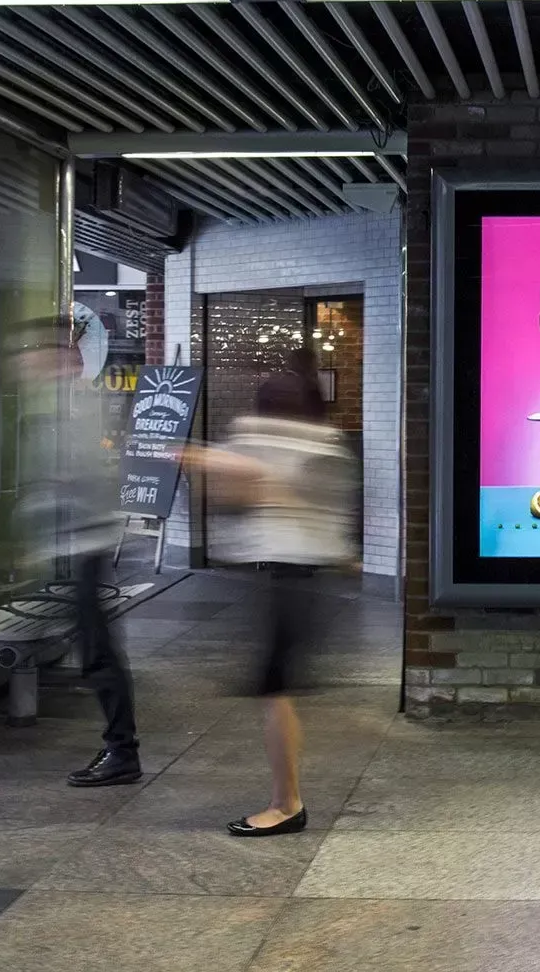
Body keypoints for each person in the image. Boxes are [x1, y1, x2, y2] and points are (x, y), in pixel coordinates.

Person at [188, 348, 357, 836]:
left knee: (274, 689)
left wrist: (232, 470)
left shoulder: (297, 448)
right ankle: (287, 800)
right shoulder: (327, 445)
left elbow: (256, 496)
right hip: (297, 580)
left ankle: (287, 806)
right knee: (273, 689)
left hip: (293, 580)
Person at [10, 317, 136, 787]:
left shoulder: (76, 403)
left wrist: (46, 505)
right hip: (78, 544)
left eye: (30, 353)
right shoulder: (60, 402)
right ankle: (121, 748)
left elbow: (84, 479)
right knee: (95, 652)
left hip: (87, 546)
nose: (24, 362)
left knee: (99, 655)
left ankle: (123, 751)